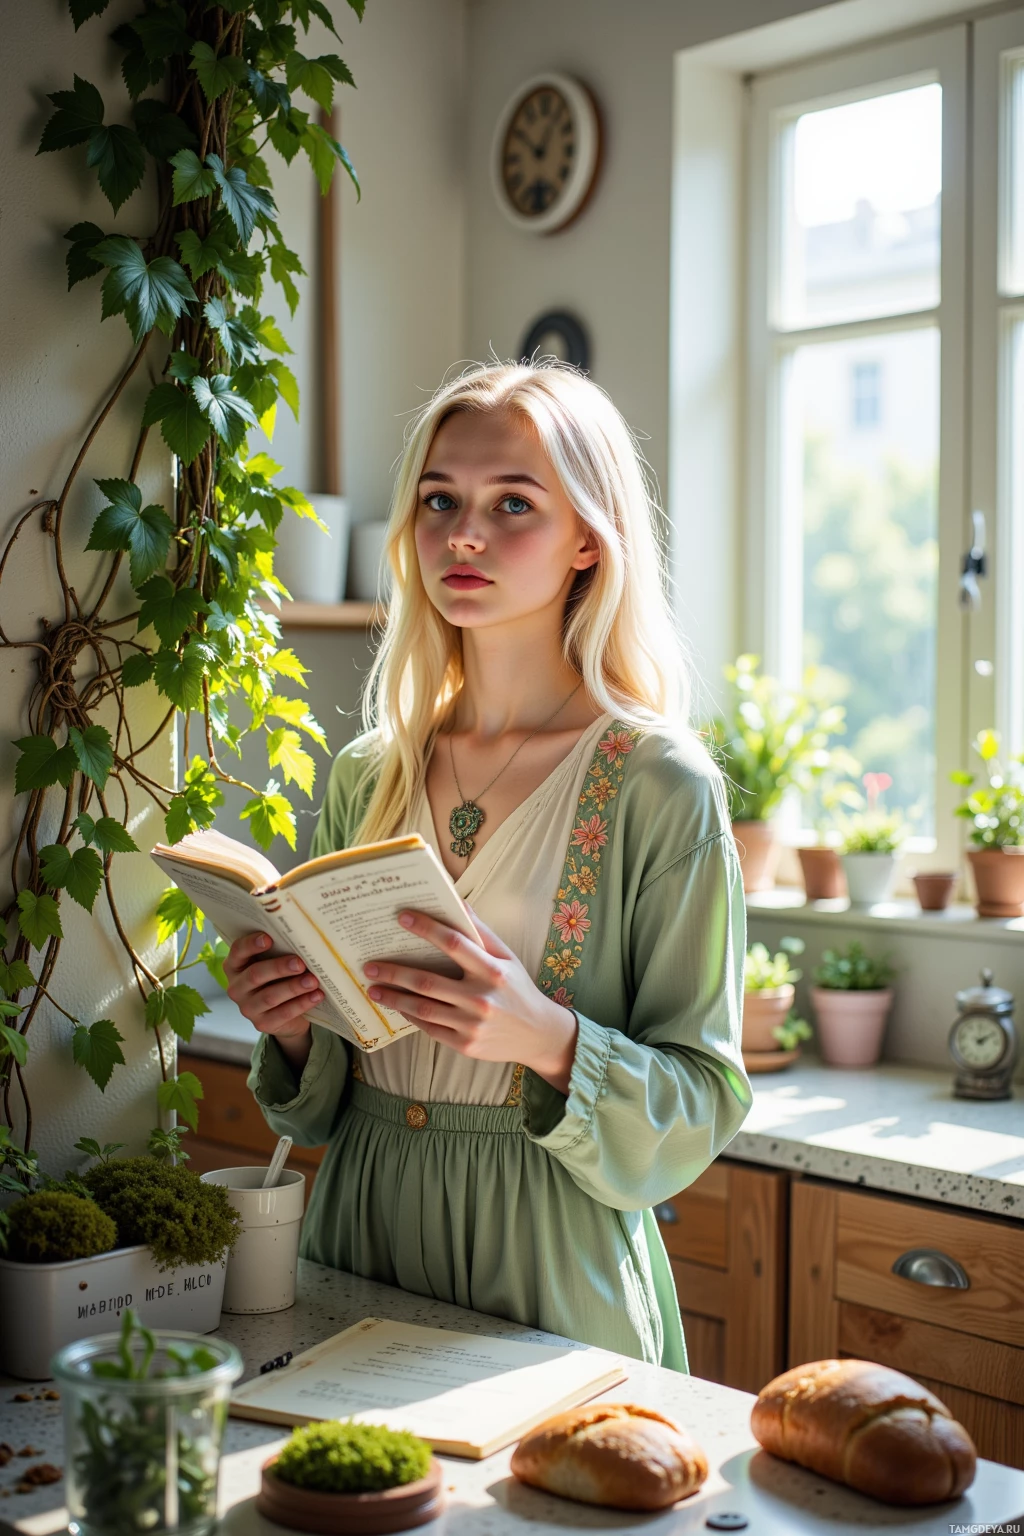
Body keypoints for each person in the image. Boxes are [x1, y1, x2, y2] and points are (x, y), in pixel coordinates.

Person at [226, 360, 751, 1371]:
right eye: (439, 501)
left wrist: (547, 1038)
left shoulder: (658, 783)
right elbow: (324, 1095)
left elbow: (703, 1098)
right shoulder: (368, 774)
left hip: (550, 1250)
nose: (462, 533)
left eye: (512, 502)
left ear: (590, 539)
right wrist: (290, 1027)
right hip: (359, 1227)